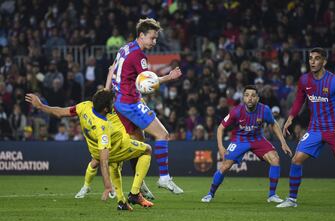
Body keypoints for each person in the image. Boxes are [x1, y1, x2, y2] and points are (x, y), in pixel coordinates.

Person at [25, 89, 154, 211]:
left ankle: (121, 202)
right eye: (111, 103)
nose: (113, 104)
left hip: (95, 150)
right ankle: (135, 193)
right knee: (147, 150)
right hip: (117, 148)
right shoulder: (102, 128)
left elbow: (59, 112)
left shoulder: (84, 106)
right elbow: (104, 160)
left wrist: (41, 106)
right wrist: (107, 185)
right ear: (105, 109)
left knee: (114, 166)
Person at [105, 18, 183, 194]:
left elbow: (114, 69)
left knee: (139, 144)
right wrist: (168, 77)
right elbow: (147, 83)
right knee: (162, 134)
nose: (154, 42)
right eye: (152, 38)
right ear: (141, 35)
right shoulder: (139, 55)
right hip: (130, 103)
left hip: (119, 102)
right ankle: (164, 178)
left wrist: (107, 89)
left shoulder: (125, 47)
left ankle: (138, 185)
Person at [277, 47, 335, 209]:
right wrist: (290, 118)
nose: (313, 61)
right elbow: (299, 100)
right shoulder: (304, 80)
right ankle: (292, 199)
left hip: (334, 128)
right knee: (296, 160)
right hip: (315, 128)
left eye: (317, 58)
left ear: (324, 61)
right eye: (311, 58)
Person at [201, 85, 292, 203]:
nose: (250, 98)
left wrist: (283, 143)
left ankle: (272, 195)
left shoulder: (265, 110)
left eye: (253, 96)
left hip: (257, 139)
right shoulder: (236, 111)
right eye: (247, 95)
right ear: (243, 98)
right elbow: (220, 128)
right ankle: (210, 194)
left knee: (275, 159)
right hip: (240, 140)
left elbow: (273, 124)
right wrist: (221, 147)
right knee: (225, 166)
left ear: (258, 98)